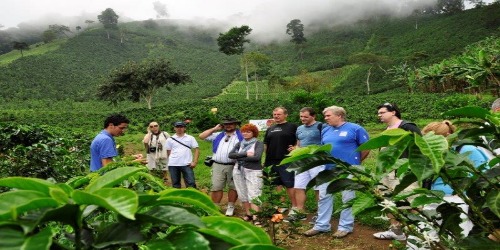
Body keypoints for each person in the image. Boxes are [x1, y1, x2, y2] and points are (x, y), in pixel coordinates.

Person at [304, 105, 370, 238]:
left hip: (348, 170)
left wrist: (354, 163)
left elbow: (366, 148)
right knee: (324, 197)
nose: (325, 118)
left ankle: (345, 227)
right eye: (325, 116)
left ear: (339, 115)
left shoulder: (355, 128)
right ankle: (322, 225)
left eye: (328, 115)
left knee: (347, 198)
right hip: (328, 169)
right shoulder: (326, 130)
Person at [373, 102, 422, 241]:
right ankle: (396, 230)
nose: (379, 115)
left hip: (403, 169)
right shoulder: (387, 129)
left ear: (393, 112)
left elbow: (420, 146)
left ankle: (417, 233)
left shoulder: (407, 126)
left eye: (382, 112)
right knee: (386, 199)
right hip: (386, 171)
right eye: (378, 113)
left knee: (410, 200)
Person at [285, 107, 323, 222]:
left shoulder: (321, 126)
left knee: (319, 188)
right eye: (301, 116)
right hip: (301, 161)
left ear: (313, 116)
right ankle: (299, 212)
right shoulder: (300, 128)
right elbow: (299, 143)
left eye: (305, 117)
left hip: (316, 161)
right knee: (299, 186)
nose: (302, 119)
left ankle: (320, 214)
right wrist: (295, 149)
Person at [199, 117, 243, 216]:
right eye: (226, 124)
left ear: (235, 124)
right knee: (216, 186)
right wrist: (214, 128)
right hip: (218, 165)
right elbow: (201, 136)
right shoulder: (217, 135)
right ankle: (215, 207)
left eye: (231, 123)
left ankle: (231, 206)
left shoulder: (241, 136)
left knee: (233, 187)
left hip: (234, 165)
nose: (228, 125)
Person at [264, 107, 298, 213]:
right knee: (276, 184)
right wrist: (266, 158)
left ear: (286, 115)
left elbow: (299, 140)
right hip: (271, 160)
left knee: (289, 184)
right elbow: (266, 143)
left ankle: (295, 207)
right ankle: (281, 205)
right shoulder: (270, 128)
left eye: (278, 114)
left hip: (286, 160)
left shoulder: (293, 127)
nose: (276, 116)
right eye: (274, 114)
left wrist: (296, 148)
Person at [229, 123, 264, 225]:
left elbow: (256, 157)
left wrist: (238, 156)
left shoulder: (258, 143)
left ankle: (256, 216)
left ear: (254, 133)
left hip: (253, 171)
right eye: (243, 131)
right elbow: (231, 155)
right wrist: (245, 154)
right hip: (238, 170)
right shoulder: (240, 143)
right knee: (242, 193)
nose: (245, 133)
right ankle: (248, 214)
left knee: (254, 194)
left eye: (248, 132)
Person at [165, 121, 199, 188]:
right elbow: (168, 151)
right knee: (175, 184)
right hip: (173, 164)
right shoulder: (170, 139)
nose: (179, 128)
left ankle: (191, 197)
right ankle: (177, 198)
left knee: (191, 183)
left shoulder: (190, 138)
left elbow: (197, 150)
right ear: (174, 128)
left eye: (181, 127)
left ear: (184, 128)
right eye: (177, 127)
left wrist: (195, 162)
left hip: (187, 164)